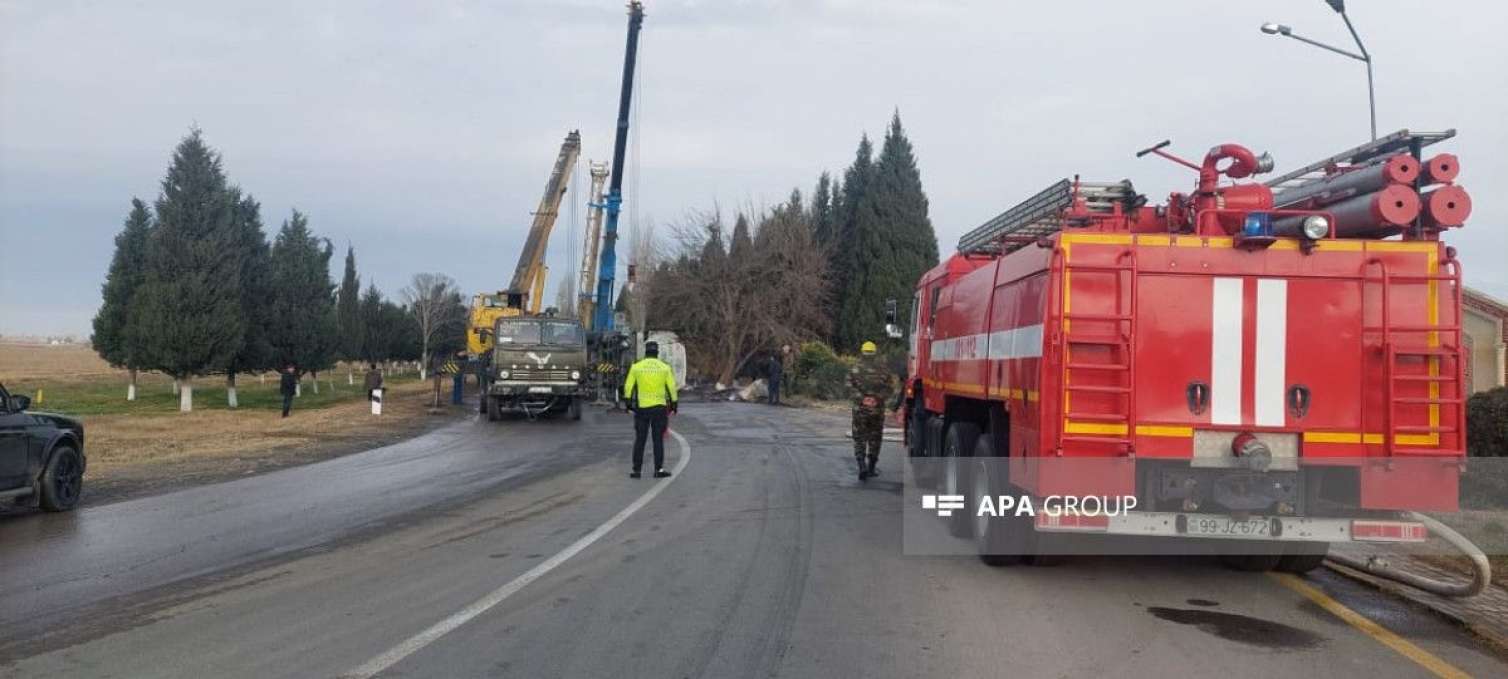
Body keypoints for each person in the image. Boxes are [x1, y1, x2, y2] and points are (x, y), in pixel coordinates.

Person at [623, 340, 678, 479]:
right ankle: (658, 470)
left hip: (642, 409)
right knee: (657, 440)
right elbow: (671, 387)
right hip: (659, 409)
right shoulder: (664, 367)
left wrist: (628, 404)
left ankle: (636, 471)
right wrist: (674, 405)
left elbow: (628, 387)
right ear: (657, 352)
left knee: (640, 440)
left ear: (646, 352)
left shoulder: (636, 367)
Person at [849, 341, 894, 480]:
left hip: (860, 410)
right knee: (875, 438)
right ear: (875, 352)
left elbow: (849, 387)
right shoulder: (883, 370)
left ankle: (862, 466)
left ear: (862, 352)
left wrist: (862, 399)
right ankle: (871, 467)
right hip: (877, 410)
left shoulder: (855, 368)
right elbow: (890, 389)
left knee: (859, 438)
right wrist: (877, 399)